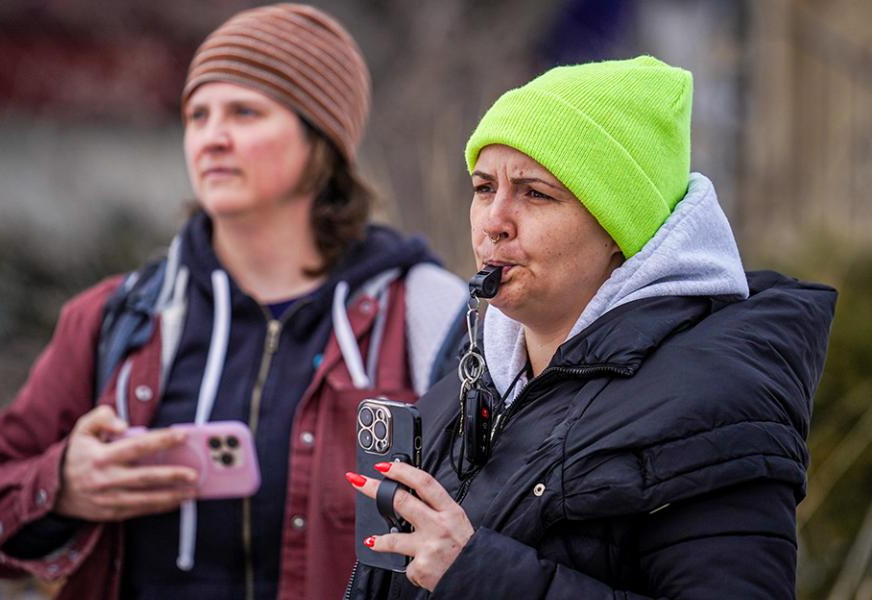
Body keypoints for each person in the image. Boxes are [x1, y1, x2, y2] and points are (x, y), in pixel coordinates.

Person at [0, 4, 467, 599]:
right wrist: (61, 484)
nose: (211, 137)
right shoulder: (119, 316)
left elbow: (493, 535)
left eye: (245, 112)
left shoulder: (428, 314)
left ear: (322, 141)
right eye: (197, 114)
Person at [345, 56, 836, 598]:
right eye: (485, 188)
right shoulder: (469, 382)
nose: (494, 222)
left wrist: (478, 574)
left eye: (535, 193)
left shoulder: (710, 402)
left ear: (618, 229)